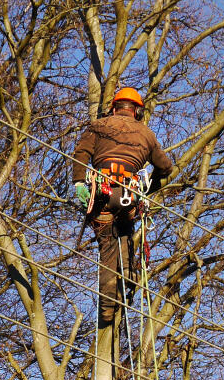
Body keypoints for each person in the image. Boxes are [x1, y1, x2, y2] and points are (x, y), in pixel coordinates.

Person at [71, 87, 173, 329]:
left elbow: (81, 154)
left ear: (114, 107)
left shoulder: (98, 126)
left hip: (103, 194)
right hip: (129, 196)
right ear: (136, 110)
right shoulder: (146, 133)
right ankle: (128, 275)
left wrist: (78, 184)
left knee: (108, 245)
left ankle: (107, 309)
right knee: (125, 231)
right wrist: (149, 189)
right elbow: (166, 167)